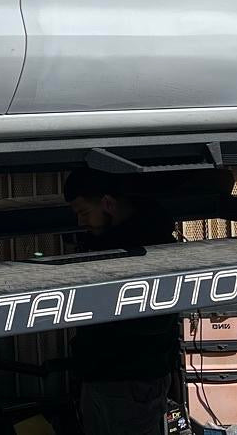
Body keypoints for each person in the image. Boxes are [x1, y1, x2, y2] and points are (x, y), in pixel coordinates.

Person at [64, 169, 180, 435]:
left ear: (107, 203)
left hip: (132, 378)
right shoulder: (107, 241)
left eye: (83, 212)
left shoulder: (154, 246)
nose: (82, 222)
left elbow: (157, 320)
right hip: (102, 374)